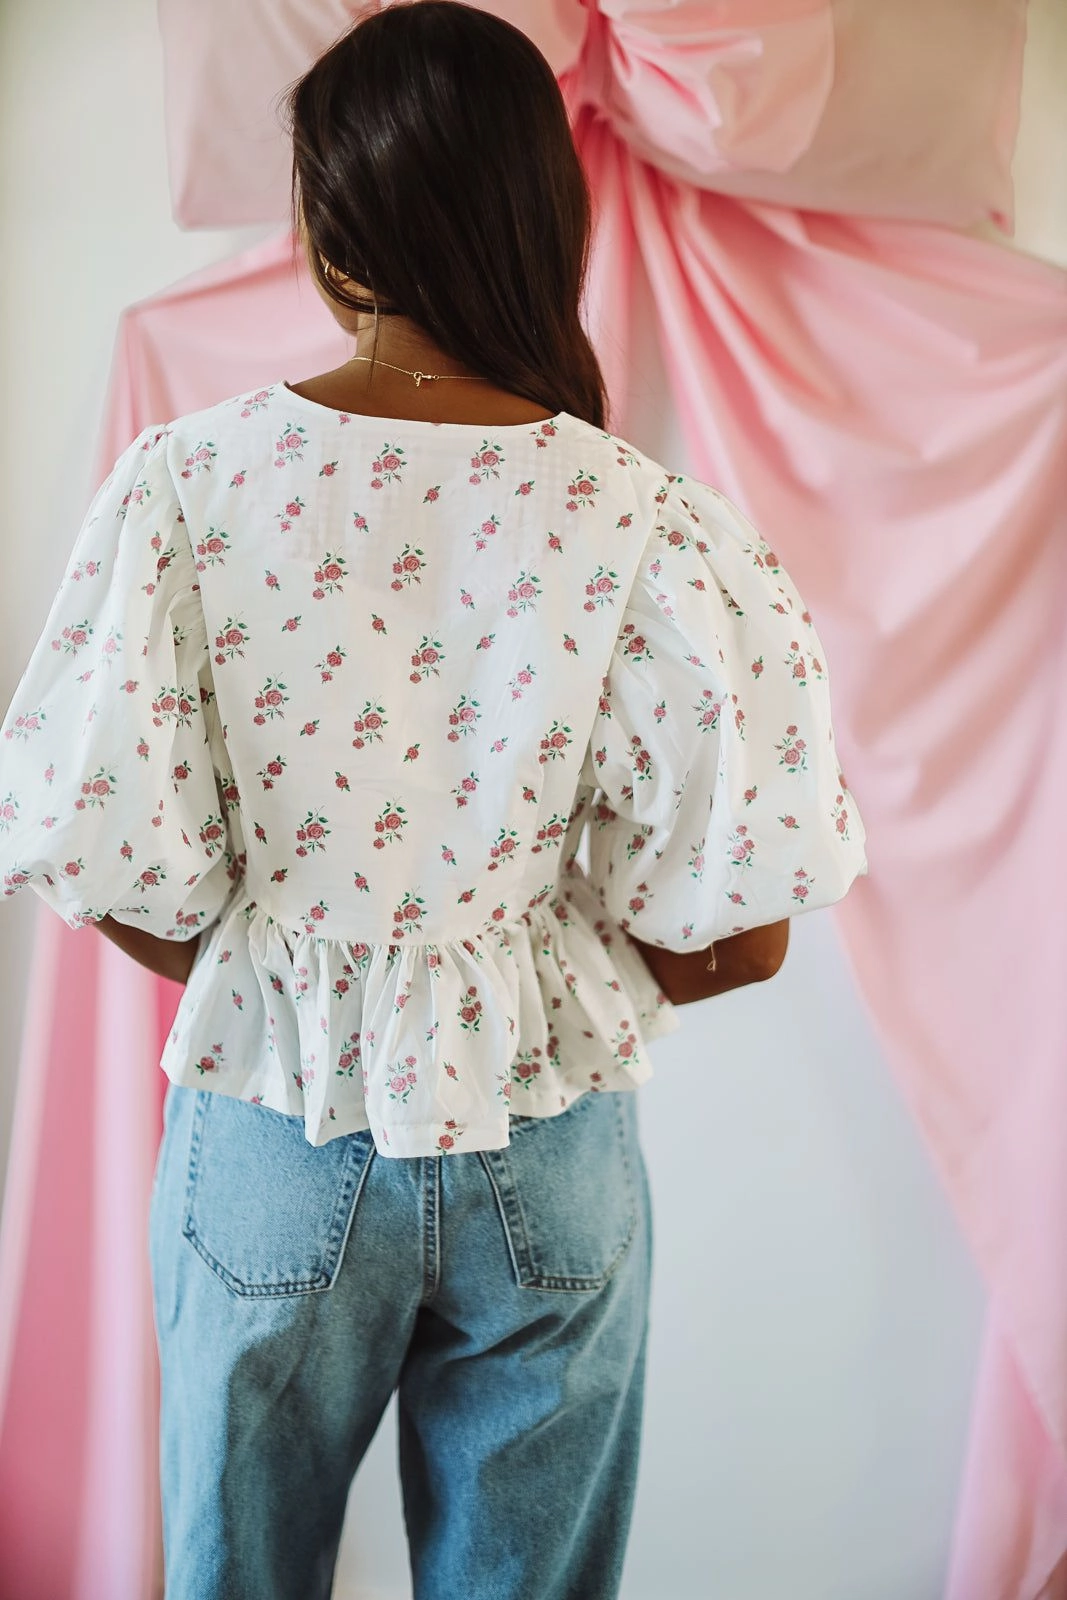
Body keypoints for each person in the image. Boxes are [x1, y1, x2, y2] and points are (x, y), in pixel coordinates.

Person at [0, 3, 866, 1595]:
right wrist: (528, 982)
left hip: (276, 1126)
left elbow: (104, 860)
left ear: (334, 234)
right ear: (546, 222)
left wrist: (295, 982)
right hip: (546, 1144)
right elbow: (743, 938)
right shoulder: (652, 524)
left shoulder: (188, 484)